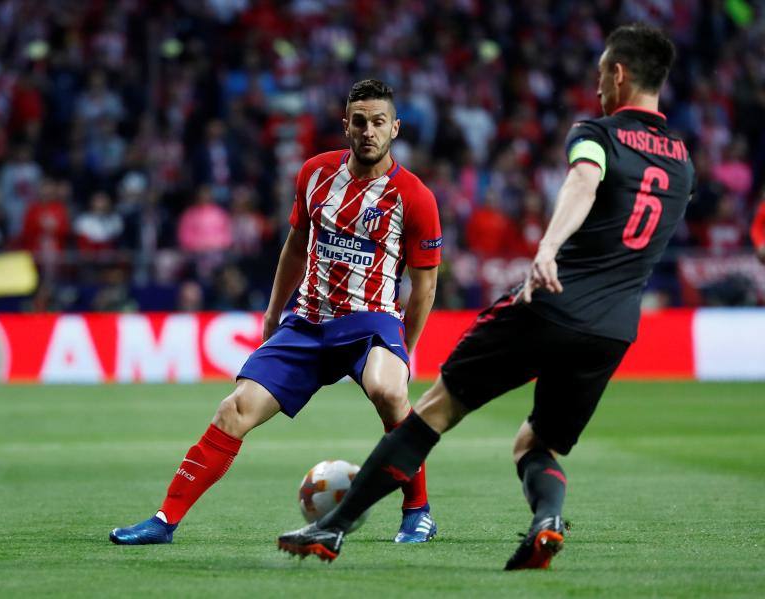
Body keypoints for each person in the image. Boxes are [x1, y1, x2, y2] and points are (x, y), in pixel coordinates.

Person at [277, 24, 694, 570]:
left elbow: (584, 181)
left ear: (618, 74)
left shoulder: (598, 133)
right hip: (613, 329)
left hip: (550, 302)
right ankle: (546, 520)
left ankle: (332, 528)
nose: (597, 90)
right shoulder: (682, 161)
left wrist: (548, 246)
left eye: (600, 77)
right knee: (535, 445)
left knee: (432, 411)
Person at [110, 79, 442, 545]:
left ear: (396, 129)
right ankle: (164, 521)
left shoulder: (415, 197)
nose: (369, 131)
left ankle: (418, 511)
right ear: (345, 124)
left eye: (379, 122)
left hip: (371, 321)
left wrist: (406, 347)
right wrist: (273, 313)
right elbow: (296, 246)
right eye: (360, 121)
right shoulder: (314, 174)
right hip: (307, 321)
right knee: (234, 410)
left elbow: (424, 286)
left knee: (389, 391)